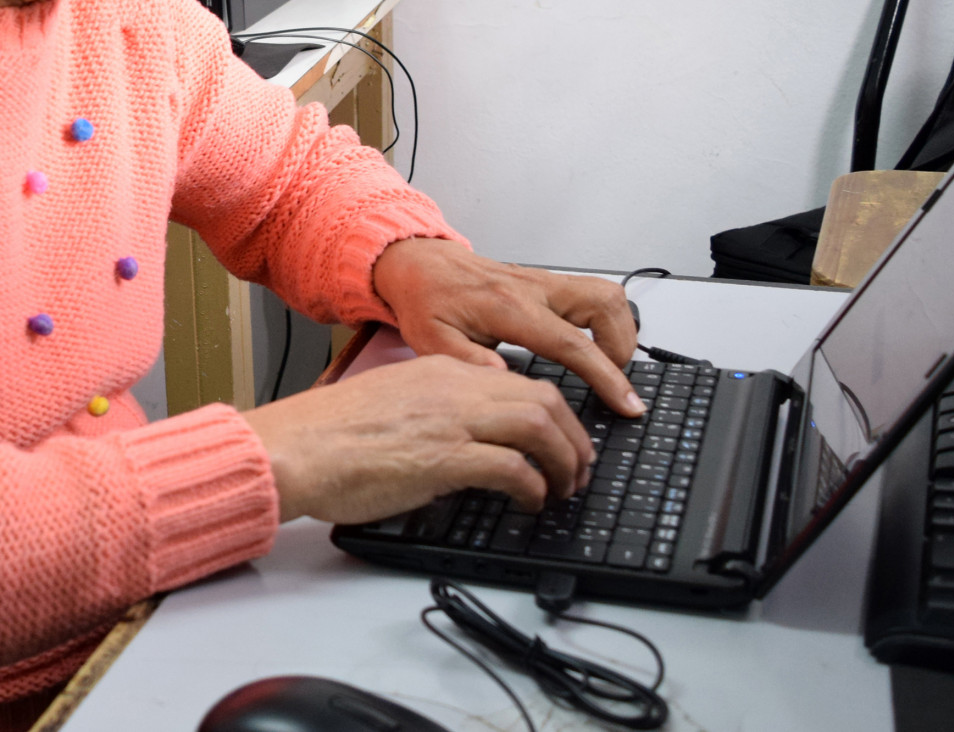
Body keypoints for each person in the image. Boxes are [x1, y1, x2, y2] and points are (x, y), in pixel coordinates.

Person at [0, 0, 643, 715]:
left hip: (144, 611)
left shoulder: (128, 18)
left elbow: (285, 179)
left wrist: (406, 257)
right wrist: (278, 455)